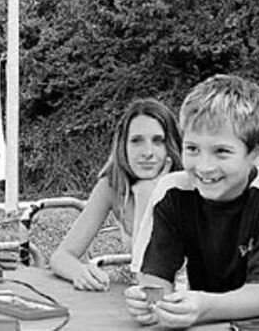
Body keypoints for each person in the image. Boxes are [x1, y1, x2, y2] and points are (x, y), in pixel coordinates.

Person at [126, 75, 259, 328]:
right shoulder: (172, 191)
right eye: (192, 149)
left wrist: (203, 307)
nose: (204, 166)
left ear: (256, 153)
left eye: (221, 151)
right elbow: (155, 273)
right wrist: (153, 301)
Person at [50, 98, 182, 291]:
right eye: (136, 141)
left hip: (197, 301)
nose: (147, 152)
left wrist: (147, 194)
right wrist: (79, 272)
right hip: (150, 301)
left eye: (157, 141)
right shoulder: (112, 186)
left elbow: (147, 272)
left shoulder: (188, 186)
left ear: (170, 145)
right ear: (123, 146)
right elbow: (61, 256)